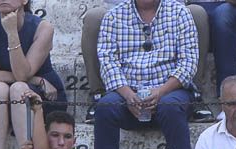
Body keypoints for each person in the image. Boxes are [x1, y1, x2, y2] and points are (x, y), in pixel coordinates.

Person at [93, 0, 199, 149]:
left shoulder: (180, 13)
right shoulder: (113, 16)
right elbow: (107, 62)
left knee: (170, 106)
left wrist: (160, 91)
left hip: (170, 89)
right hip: (127, 91)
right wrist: (128, 95)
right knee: (106, 107)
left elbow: (189, 63)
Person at [81, 0, 211, 124]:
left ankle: (195, 93)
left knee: (196, 13)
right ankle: (99, 94)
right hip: (119, 9)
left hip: (170, 9)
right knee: (94, 17)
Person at [0, 0, 66, 149]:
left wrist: (11, 32)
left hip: (45, 95)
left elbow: (22, 75)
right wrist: (35, 79)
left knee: (18, 88)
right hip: (10, 94)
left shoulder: (44, 28)